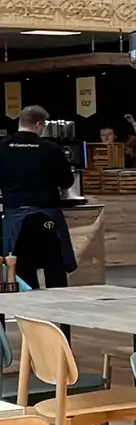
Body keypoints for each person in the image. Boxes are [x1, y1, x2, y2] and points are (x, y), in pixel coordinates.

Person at [0, 104, 77, 288]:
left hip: (15, 220)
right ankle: (59, 311)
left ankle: (29, 310)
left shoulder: (2, 147)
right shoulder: (51, 149)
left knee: (21, 266)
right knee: (54, 264)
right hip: (47, 218)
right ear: (39, 125)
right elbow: (67, 181)